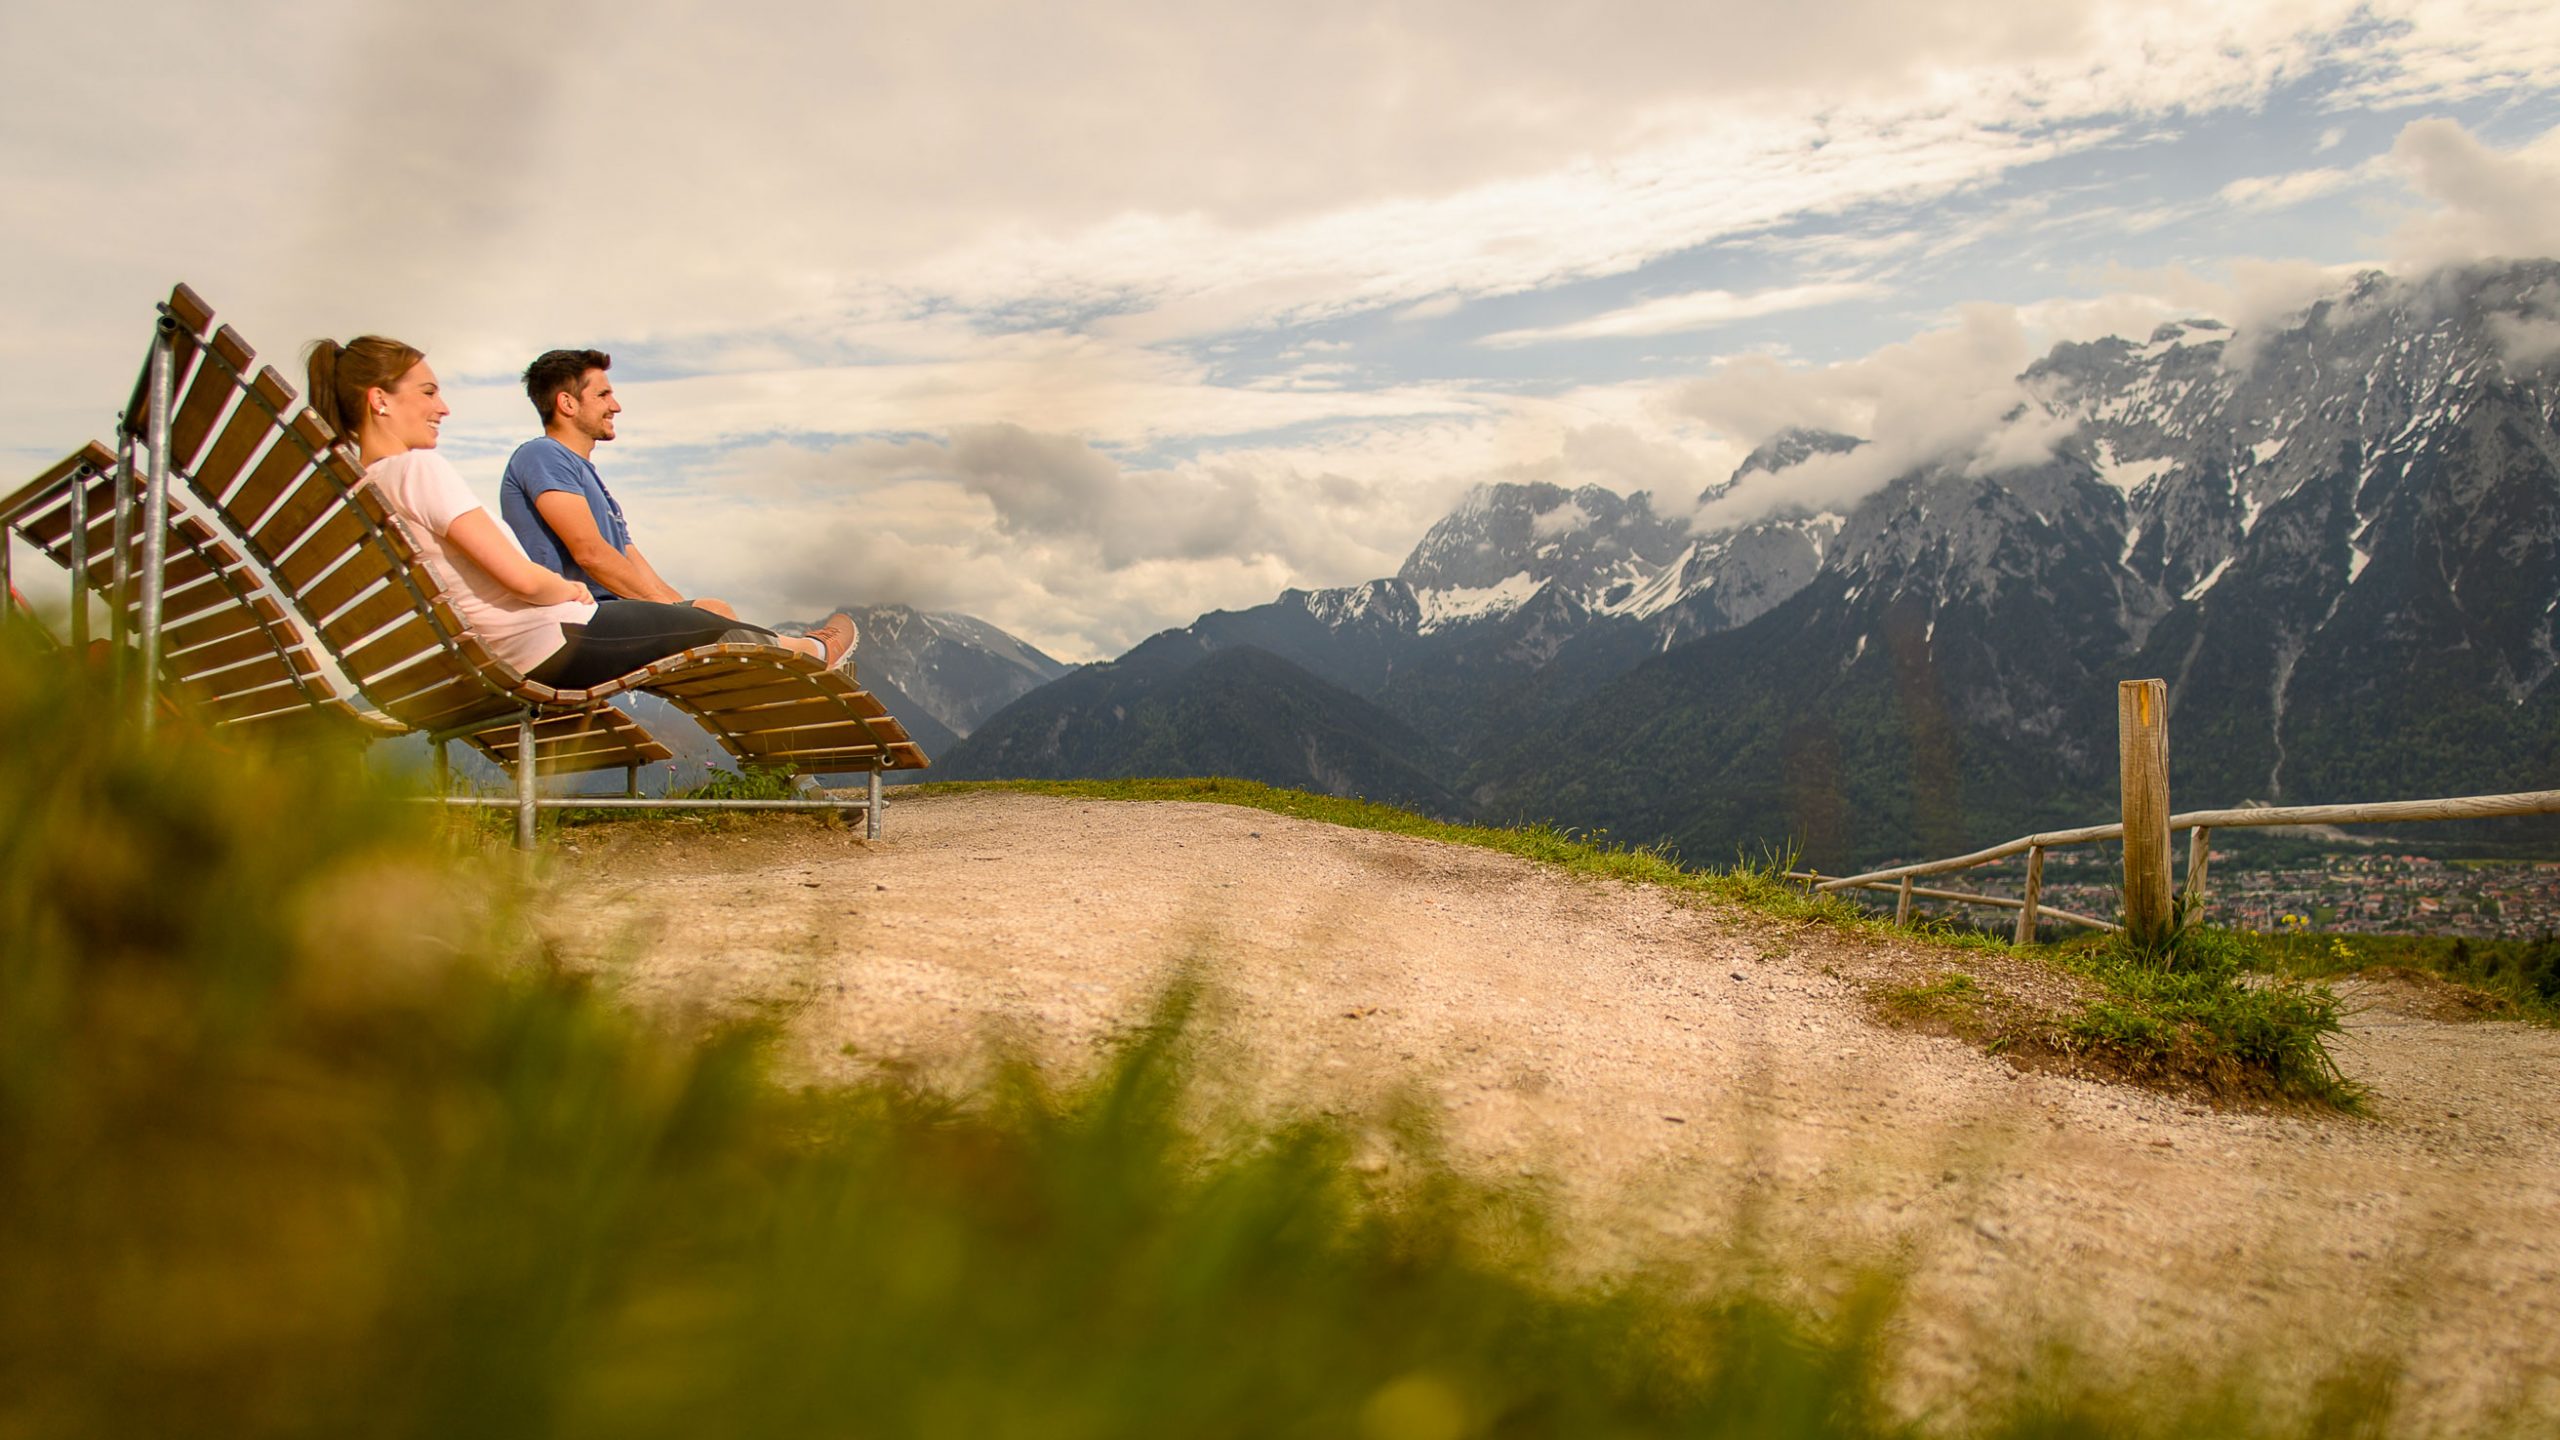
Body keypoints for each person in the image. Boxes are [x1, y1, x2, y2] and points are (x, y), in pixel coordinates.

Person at [302, 334, 855, 691]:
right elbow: (522, 577)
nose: (442, 406)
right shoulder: (419, 470)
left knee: (705, 619)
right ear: (380, 399)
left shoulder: (368, 487)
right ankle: (808, 651)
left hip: (486, 655)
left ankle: (797, 654)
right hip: (547, 643)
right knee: (709, 624)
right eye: (427, 392)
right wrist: (564, 589)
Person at [498, 347, 737, 619]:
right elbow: (590, 553)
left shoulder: (588, 476)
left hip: (614, 610)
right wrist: (668, 612)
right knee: (711, 616)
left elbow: (635, 566)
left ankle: (790, 647)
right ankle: (793, 648)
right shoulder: (542, 454)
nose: (616, 406)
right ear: (567, 403)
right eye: (602, 395)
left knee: (711, 609)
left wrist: (685, 611)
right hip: (577, 617)